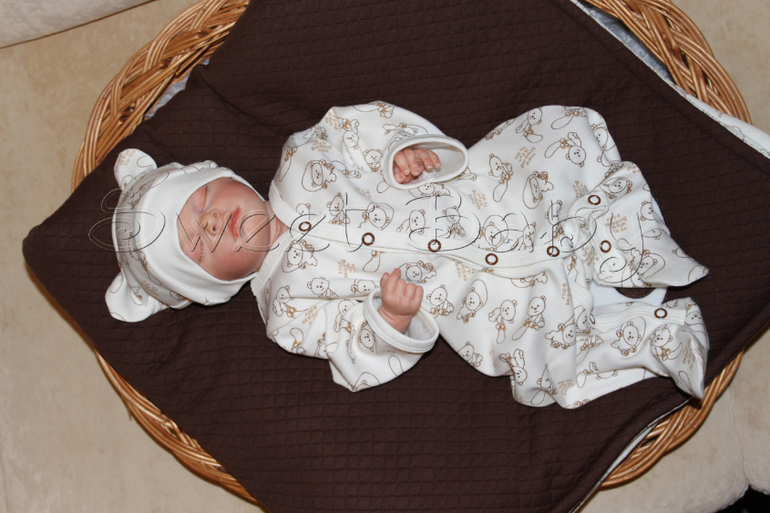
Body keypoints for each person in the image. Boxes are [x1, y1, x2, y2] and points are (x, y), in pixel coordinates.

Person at [106, 102, 709, 408]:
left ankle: (627, 244)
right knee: (543, 352)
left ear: (222, 176)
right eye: (198, 243)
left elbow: (364, 130)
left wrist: (405, 154)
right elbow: (350, 351)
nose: (212, 220)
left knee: (553, 150)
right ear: (212, 287)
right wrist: (388, 320)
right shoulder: (286, 308)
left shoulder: (302, 157)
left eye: (203, 200)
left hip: (475, 199)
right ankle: (656, 333)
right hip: (470, 298)